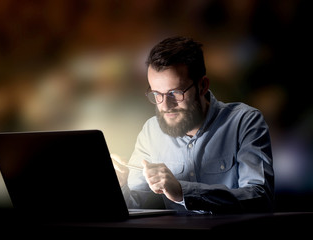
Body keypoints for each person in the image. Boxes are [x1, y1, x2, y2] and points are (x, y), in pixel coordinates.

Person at [112, 36, 274, 213]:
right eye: (157, 94)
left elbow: (259, 197)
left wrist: (183, 192)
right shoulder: (151, 132)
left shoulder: (244, 122)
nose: (165, 105)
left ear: (203, 86)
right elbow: (133, 206)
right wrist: (118, 184)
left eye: (175, 93)